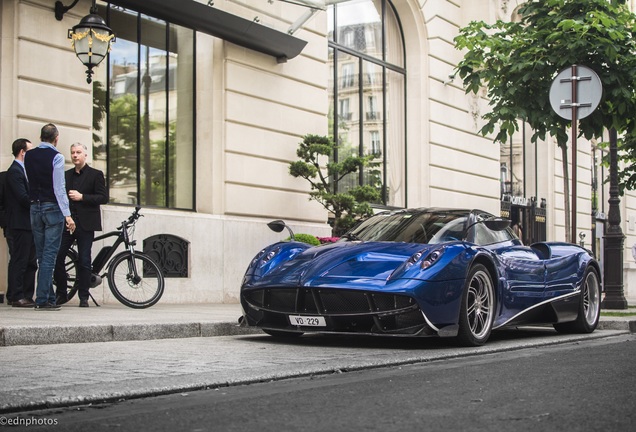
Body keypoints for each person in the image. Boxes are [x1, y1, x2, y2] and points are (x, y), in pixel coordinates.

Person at [24, 123, 75, 310]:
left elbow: (29, 180)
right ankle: (43, 299)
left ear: (40, 137)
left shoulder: (28, 155)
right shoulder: (57, 157)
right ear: (56, 138)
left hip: (34, 208)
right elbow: (59, 188)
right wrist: (67, 215)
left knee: (41, 254)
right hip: (52, 207)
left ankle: (50, 298)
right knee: (49, 256)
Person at [54, 142, 108, 307]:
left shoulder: (96, 174)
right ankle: (62, 294)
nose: (75, 155)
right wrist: (66, 217)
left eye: (78, 152)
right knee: (58, 256)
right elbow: (61, 198)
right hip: (68, 224)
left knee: (85, 260)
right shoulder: (66, 175)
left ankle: (83, 297)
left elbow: (103, 198)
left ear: (86, 155)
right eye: (73, 153)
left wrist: (82, 197)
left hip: (86, 225)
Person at [4, 139, 38, 307]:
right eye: (30, 150)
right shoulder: (14, 172)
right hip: (19, 224)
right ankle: (16, 295)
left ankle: (27, 294)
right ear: (23, 152)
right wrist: (40, 199)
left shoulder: (26, 170)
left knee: (31, 261)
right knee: (20, 259)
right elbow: (23, 198)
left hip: (30, 223)